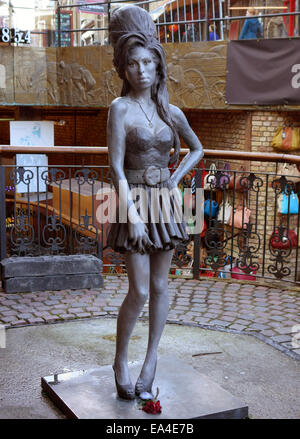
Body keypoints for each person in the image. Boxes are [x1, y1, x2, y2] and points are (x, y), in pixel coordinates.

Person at [106, 5, 203, 400]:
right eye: (133, 63)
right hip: (133, 203)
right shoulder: (120, 109)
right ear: (124, 68)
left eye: (148, 62)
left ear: (158, 66)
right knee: (140, 291)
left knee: (162, 286)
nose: (142, 70)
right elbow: (115, 169)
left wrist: (174, 180)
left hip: (164, 201)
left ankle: (151, 360)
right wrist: (132, 217)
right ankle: (120, 359)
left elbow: (197, 149)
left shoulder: (170, 111)